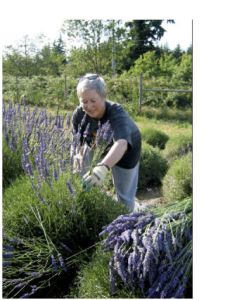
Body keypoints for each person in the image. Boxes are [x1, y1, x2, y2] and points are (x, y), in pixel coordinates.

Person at [71, 73, 141, 211]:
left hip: (125, 150)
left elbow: (121, 143)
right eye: (84, 101)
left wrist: (102, 168)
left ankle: (127, 219)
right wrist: (76, 155)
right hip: (96, 144)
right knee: (81, 177)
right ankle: (86, 206)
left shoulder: (116, 112)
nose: (89, 106)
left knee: (124, 196)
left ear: (103, 96)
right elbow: (75, 141)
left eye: (93, 100)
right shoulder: (79, 114)